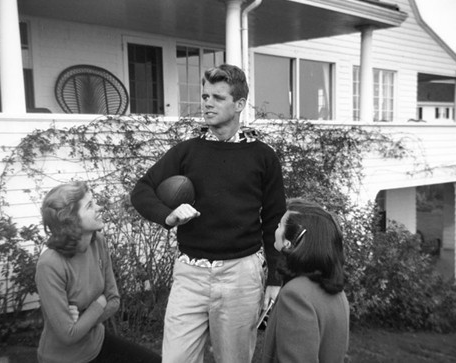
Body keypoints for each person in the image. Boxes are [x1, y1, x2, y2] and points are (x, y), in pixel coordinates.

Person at [130, 64, 286, 363]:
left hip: (241, 275)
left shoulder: (262, 156)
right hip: (190, 274)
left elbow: (275, 218)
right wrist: (169, 215)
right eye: (205, 96)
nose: (207, 103)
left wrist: (276, 279)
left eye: (217, 97)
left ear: (239, 104)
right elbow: (142, 191)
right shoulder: (187, 152)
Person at [35, 181, 161, 363]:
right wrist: (99, 304)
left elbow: (114, 300)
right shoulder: (49, 265)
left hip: (97, 343)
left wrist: (83, 320)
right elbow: (68, 335)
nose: (99, 207)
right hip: (63, 358)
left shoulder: (98, 242)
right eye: (90, 206)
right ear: (71, 220)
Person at [262, 198, 350, 363]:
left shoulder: (295, 294)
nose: (276, 229)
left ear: (290, 241)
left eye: (280, 225)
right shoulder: (338, 293)